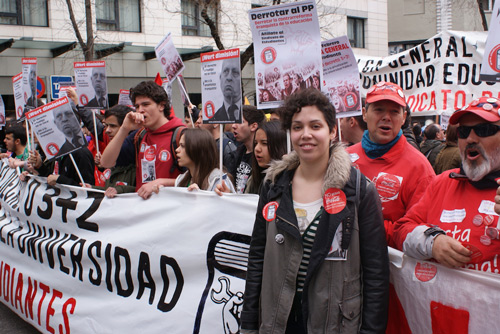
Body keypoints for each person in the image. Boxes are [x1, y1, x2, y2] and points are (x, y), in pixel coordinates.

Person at [241, 88, 389, 333]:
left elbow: (376, 275)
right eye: (297, 127)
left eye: (315, 126)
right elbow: (257, 256)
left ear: (332, 131)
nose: (306, 135)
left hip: (334, 323)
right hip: (279, 321)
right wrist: (249, 324)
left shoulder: (360, 191)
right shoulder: (273, 185)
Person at [393, 96, 500, 273]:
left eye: (484, 129)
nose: (471, 139)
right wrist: (431, 242)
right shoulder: (443, 182)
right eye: (464, 132)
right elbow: (401, 231)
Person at [346, 81, 435, 247]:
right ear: (364, 114)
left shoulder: (420, 168)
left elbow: (419, 232)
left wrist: (360, 225)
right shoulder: (344, 157)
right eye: (379, 109)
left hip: (389, 267)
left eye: (394, 112)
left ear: (403, 118)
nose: (386, 117)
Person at [99, 80, 185, 199]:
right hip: (144, 212)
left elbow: (195, 181)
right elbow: (106, 162)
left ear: (161, 105)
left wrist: (160, 182)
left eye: (146, 104)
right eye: (137, 106)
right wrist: (124, 128)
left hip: (172, 211)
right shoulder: (139, 135)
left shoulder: (181, 135)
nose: (140, 110)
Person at [175, 128, 235, 192]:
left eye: (182, 146)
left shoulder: (218, 180)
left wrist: (201, 198)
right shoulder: (180, 179)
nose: (177, 150)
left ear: (197, 149)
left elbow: (228, 201)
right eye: (179, 145)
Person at [245, 120, 287, 194]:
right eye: (255, 143)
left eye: (264, 143)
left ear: (280, 146)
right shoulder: (253, 179)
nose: (257, 149)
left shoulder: (289, 182)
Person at [230, 106, 265, 193]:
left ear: (253, 126)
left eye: (239, 122)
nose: (233, 126)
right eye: (234, 122)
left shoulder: (262, 157)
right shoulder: (238, 153)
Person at [212, 58, 241, 123]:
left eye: (235, 72)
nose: (229, 78)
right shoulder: (213, 119)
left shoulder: (249, 116)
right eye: (225, 71)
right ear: (220, 77)